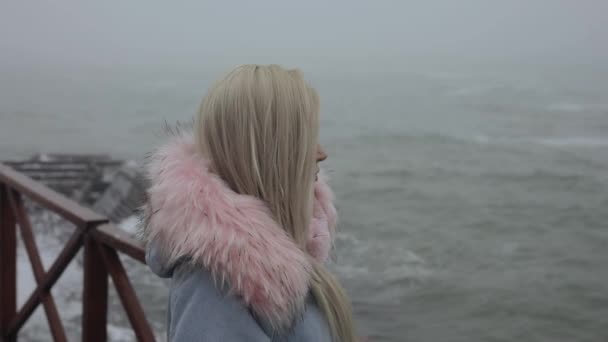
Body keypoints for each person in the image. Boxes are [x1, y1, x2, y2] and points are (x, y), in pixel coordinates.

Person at [141, 64, 358, 341]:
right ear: (272, 156)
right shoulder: (218, 287)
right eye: (305, 141)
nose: (321, 153)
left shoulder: (259, 269)